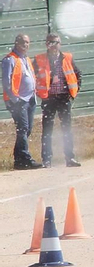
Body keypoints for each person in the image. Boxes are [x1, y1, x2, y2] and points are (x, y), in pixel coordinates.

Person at [35, 32, 81, 168]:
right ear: (46, 44)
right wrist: (41, 92)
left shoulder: (67, 58)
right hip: (48, 99)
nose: (54, 46)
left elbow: (78, 74)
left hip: (63, 98)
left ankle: (69, 158)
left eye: (56, 43)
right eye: (51, 42)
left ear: (60, 44)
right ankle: (47, 160)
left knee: (67, 129)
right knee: (47, 130)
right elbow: (31, 77)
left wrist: (73, 92)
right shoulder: (39, 59)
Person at [2, 33, 40, 170]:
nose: (26, 45)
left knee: (27, 129)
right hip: (18, 101)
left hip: (29, 99)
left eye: (28, 42)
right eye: (23, 42)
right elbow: (6, 82)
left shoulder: (26, 59)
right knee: (23, 128)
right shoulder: (9, 59)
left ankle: (19, 159)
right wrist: (15, 99)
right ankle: (25, 158)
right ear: (16, 43)